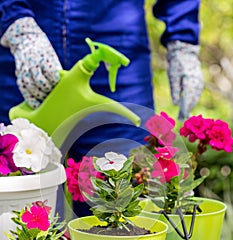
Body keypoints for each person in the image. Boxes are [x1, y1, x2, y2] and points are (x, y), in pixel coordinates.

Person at [0, 0, 203, 215]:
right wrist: (17, 24)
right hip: (23, 54)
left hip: (116, 53)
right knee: (19, 216)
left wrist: (182, 40)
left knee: (120, 209)